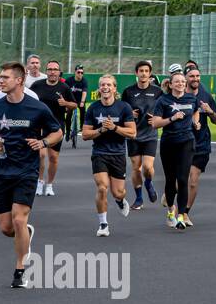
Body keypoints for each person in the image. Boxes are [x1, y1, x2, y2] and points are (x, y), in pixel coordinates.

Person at [0, 63, 62, 289]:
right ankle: (25, 233)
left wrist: (43, 142)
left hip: (26, 172)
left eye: (5, 77)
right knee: (7, 228)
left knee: (18, 219)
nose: (0, 81)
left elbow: (58, 132)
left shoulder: (37, 108)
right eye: (0, 77)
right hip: (0, 172)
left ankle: (20, 269)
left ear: (19, 80)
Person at [80, 75, 136, 237]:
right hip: (100, 154)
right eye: (102, 85)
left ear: (114, 88)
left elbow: (132, 133)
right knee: (102, 187)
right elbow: (85, 134)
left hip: (118, 154)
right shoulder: (93, 108)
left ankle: (119, 200)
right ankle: (103, 224)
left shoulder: (124, 107)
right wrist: (101, 130)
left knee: (118, 192)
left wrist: (114, 128)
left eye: (108, 85)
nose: (105, 87)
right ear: (99, 89)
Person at [149, 70, 200, 231]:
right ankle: (171, 210)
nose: (181, 84)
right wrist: (172, 118)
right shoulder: (163, 101)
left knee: (183, 179)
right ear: (170, 85)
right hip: (169, 142)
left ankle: (181, 216)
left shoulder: (191, 98)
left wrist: (195, 122)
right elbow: (155, 123)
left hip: (187, 141)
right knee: (171, 180)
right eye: (177, 82)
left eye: (183, 82)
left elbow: (196, 110)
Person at [30, 61, 75, 197]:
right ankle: (40, 181)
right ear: (46, 71)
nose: (52, 72)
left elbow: (74, 104)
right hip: (39, 124)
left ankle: (49, 184)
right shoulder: (37, 85)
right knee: (41, 155)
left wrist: (65, 103)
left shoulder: (64, 87)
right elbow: (28, 99)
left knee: (53, 158)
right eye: (50, 69)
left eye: (55, 69)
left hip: (56, 126)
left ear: (59, 72)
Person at [122, 60, 163, 209]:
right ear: (136, 73)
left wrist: (158, 117)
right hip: (133, 134)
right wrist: (129, 113)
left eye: (146, 71)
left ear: (150, 73)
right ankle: (139, 198)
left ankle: (148, 183)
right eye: (141, 71)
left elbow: (164, 107)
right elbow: (122, 110)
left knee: (147, 167)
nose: (144, 73)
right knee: (136, 168)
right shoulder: (128, 91)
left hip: (150, 134)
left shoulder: (157, 91)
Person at [183, 64, 216, 219]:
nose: (195, 79)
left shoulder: (206, 97)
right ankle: (171, 194)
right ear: (185, 78)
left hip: (201, 144)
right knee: (180, 179)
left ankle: (185, 212)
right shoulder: (178, 96)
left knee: (192, 180)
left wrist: (210, 111)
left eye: (197, 76)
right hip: (182, 143)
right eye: (192, 76)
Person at [67, 66, 89, 149]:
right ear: (75, 72)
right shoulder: (69, 80)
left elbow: (84, 92)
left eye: (82, 72)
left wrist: (83, 102)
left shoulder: (84, 81)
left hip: (80, 100)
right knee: (69, 114)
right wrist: (67, 103)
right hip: (71, 100)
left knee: (83, 111)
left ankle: (81, 126)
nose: (80, 74)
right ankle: (68, 130)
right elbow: (65, 91)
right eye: (78, 72)